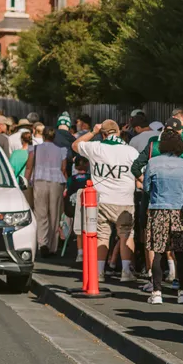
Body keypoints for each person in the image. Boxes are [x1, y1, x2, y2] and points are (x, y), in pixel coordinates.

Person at [73, 119, 142, 283]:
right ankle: (126, 271)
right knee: (126, 235)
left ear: (103, 134)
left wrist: (93, 132)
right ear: (118, 132)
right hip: (125, 200)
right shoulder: (131, 151)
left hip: (102, 200)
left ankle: (99, 272)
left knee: (102, 236)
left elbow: (75, 145)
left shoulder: (96, 147)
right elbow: (140, 174)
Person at [143, 128, 183, 305]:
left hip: (159, 208)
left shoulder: (153, 163)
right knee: (180, 252)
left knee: (158, 251)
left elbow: (146, 187)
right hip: (181, 210)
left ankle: (157, 292)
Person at [27, 124, 69, 257]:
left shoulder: (35, 149)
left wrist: (26, 181)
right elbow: (63, 169)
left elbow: (29, 168)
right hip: (56, 182)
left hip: (39, 181)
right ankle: (52, 246)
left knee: (41, 213)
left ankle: (42, 242)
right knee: (54, 214)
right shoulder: (61, 150)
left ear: (43, 136)